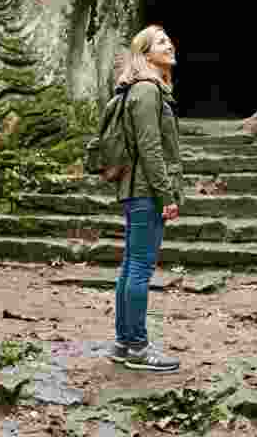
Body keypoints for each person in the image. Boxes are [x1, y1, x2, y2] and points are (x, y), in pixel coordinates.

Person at [109, 25, 184, 373]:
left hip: (138, 189)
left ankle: (125, 343)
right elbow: (150, 149)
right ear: (145, 53)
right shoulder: (147, 91)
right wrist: (166, 194)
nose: (169, 46)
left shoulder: (141, 90)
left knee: (130, 266)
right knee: (139, 267)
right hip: (145, 192)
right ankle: (137, 346)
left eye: (169, 40)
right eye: (160, 42)